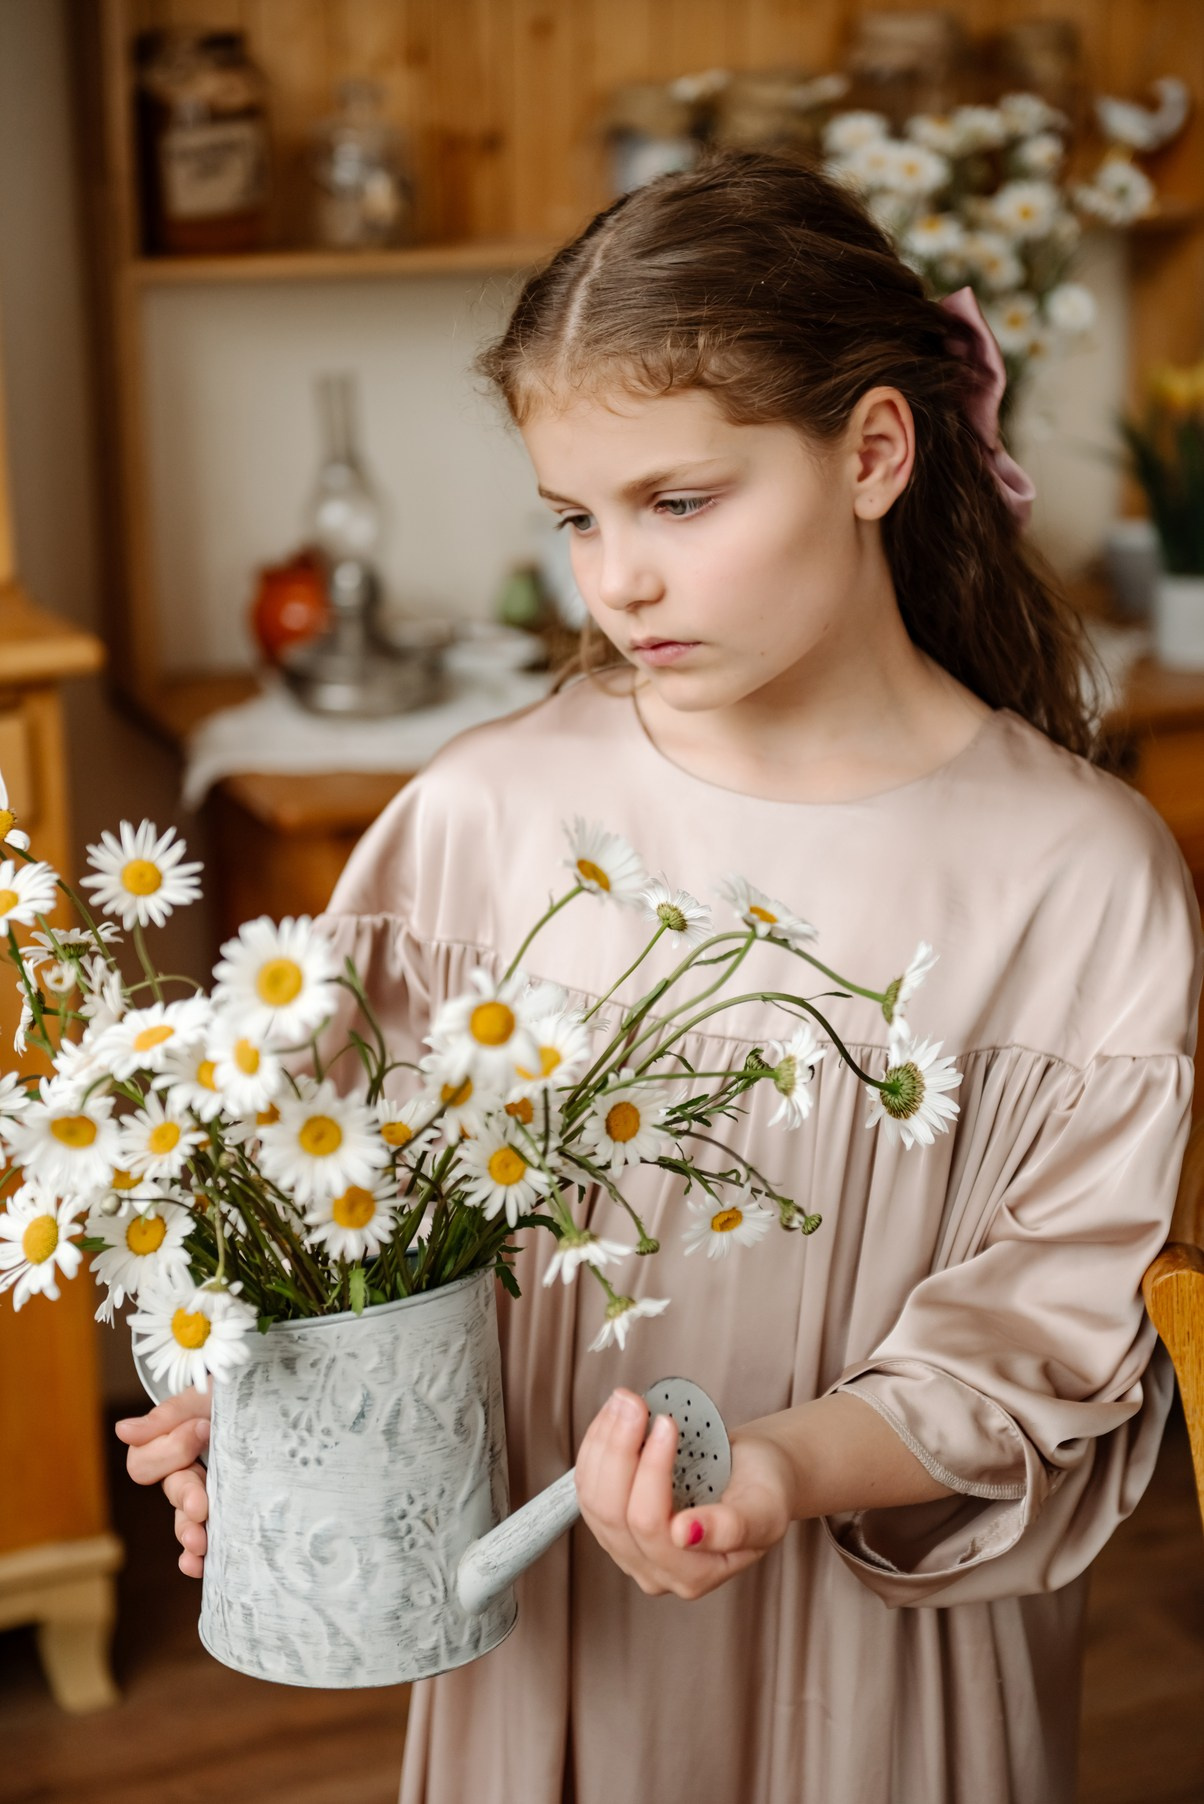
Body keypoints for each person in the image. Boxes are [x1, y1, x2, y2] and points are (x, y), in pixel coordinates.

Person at [116, 149, 1204, 1804]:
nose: (615, 578)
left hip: (879, 1672)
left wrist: (772, 1472)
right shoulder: (483, 818)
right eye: (577, 516)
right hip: (547, 1629)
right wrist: (260, 1406)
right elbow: (319, 1200)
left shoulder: (1082, 875)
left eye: (679, 502)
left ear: (874, 452)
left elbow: (1036, 1347)